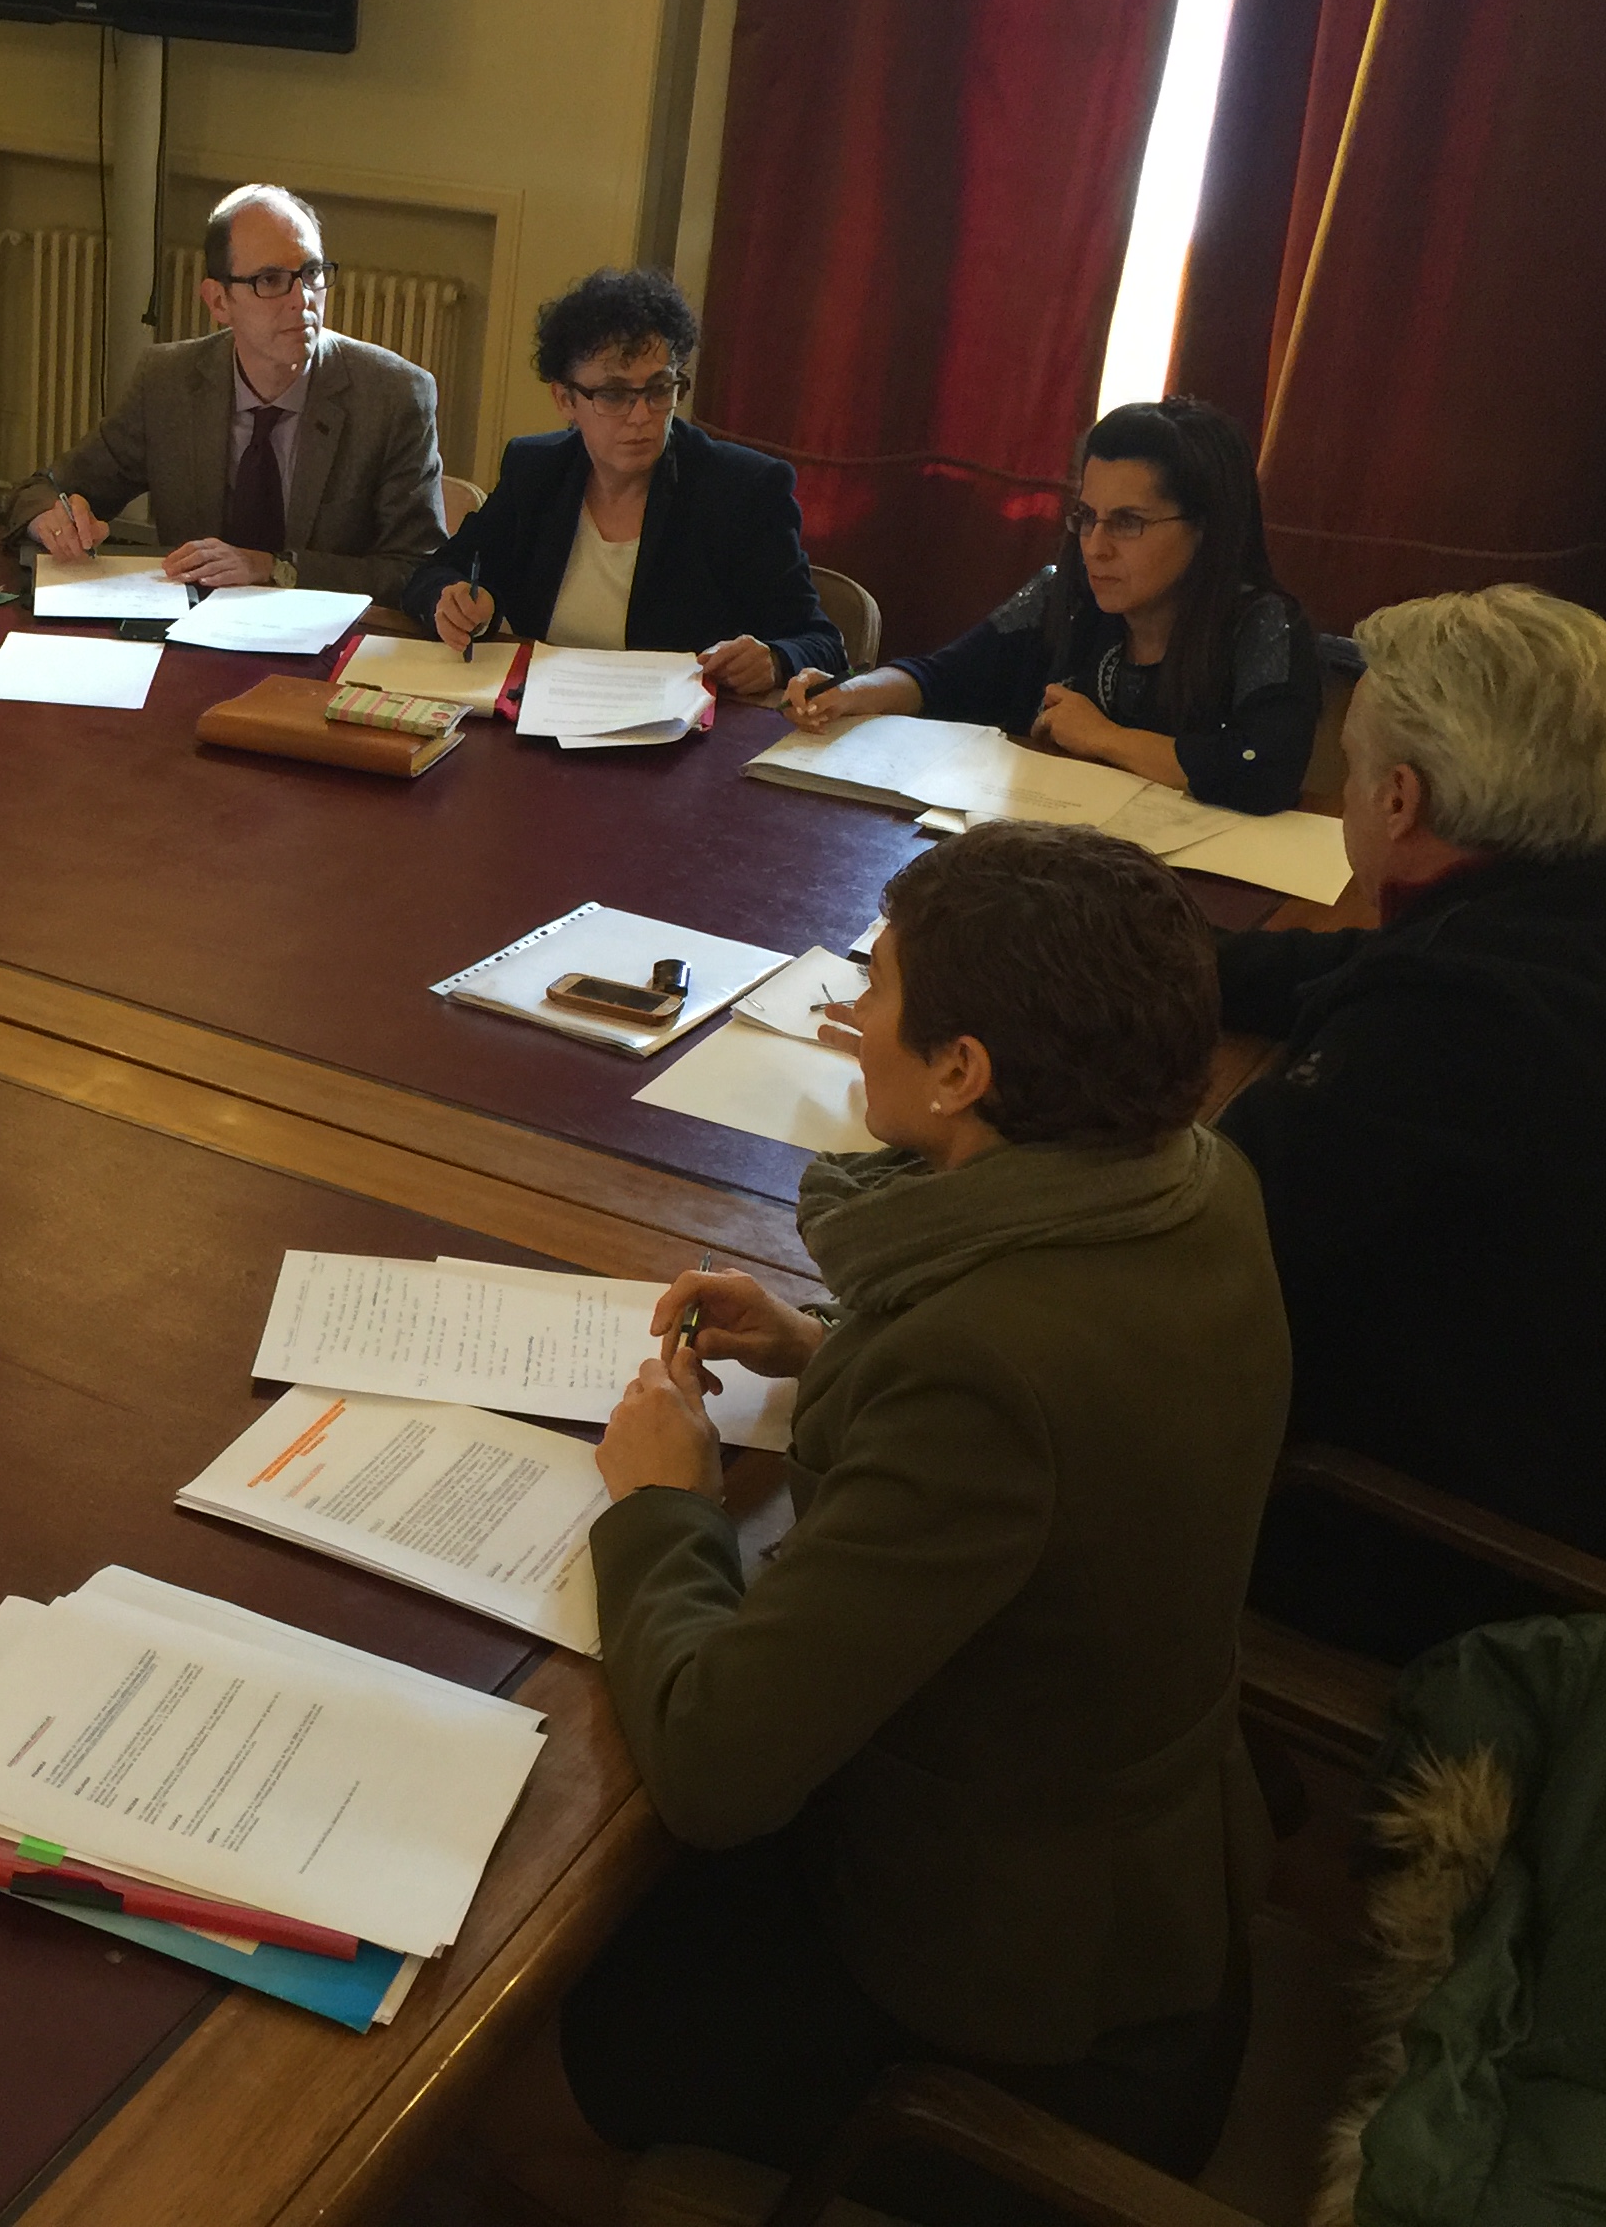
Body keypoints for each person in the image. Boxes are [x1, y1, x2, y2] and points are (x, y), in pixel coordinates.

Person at [479, 822, 1288, 2227]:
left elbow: (719, 1765)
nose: (853, 1016)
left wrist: (665, 1499)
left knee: (514, 2098)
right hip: (1153, 1881)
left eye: (878, 987)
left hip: (1012, 1976)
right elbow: (1072, 1398)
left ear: (963, 1071)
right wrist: (826, 1345)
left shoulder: (981, 1377)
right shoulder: (1196, 1180)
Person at [1218, 585, 1606, 1663]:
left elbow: (1202, 1238)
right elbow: (1371, 966)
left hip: (1473, 1555)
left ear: (1398, 798)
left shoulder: (1449, 1022)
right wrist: (1173, 965)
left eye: (1351, 765)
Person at [783, 398, 1319, 814]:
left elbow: (1262, 768)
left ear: (1205, 530)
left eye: (1128, 522)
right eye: (1087, 517)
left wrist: (1107, 739)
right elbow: (943, 677)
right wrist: (849, 693)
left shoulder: (1263, 623)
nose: (1095, 547)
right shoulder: (1064, 594)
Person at [396, 267, 843, 697]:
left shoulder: (741, 489)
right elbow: (434, 573)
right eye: (613, 394)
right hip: (542, 716)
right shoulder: (537, 472)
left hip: (678, 733)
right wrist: (449, 601)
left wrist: (776, 659)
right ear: (565, 399)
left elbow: (820, 641)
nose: (641, 415)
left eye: (659, 389)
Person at [11, 183, 444, 597]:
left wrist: (273, 568)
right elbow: (43, 489)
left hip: (328, 639)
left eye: (312, 273)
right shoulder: (169, 383)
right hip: (189, 634)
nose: (302, 299)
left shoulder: (393, 396)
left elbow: (416, 569)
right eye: (270, 280)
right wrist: (52, 519)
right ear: (218, 301)